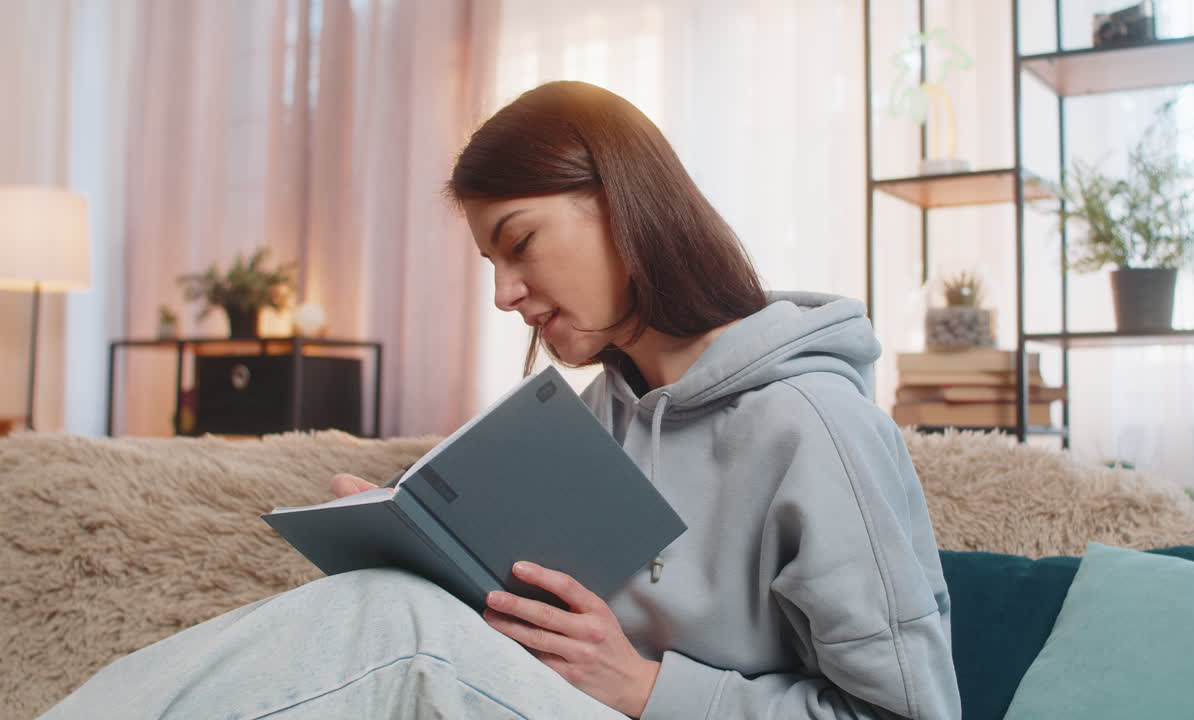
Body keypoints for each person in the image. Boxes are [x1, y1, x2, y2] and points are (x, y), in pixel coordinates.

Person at [41, 81, 960, 719]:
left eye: (519, 243)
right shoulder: (596, 418)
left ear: (625, 203)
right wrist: (423, 547)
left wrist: (646, 689)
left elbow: (908, 713)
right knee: (389, 594)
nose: (504, 294)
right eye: (490, 261)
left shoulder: (815, 426)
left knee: (396, 625)